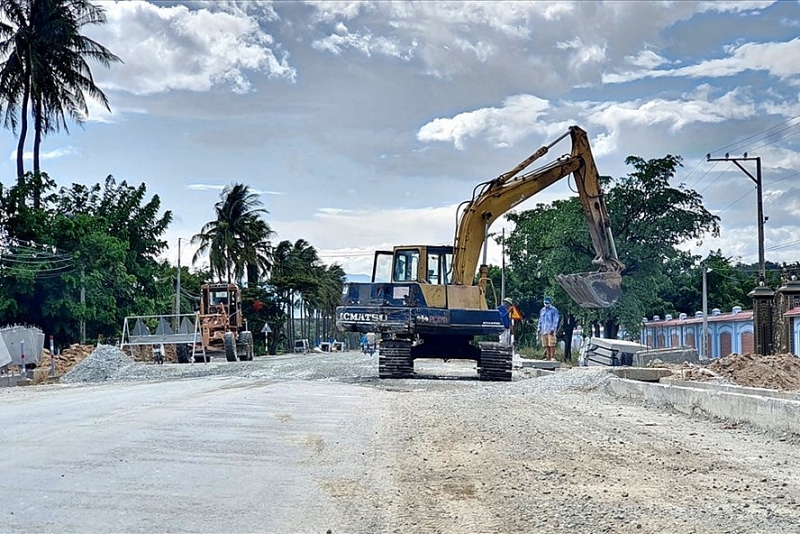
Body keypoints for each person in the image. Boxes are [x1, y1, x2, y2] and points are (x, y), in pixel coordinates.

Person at [538, 296, 560, 361]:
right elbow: (540, 320)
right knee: (546, 344)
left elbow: (556, 320)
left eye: (547, 303)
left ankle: (552, 357)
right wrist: (539, 328)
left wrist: (553, 329)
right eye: (545, 303)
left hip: (551, 330)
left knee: (552, 344)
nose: (546, 304)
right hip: (543, 330)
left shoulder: (554, 310)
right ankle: (548, 357)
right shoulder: (542, 310)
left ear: (550, 303)